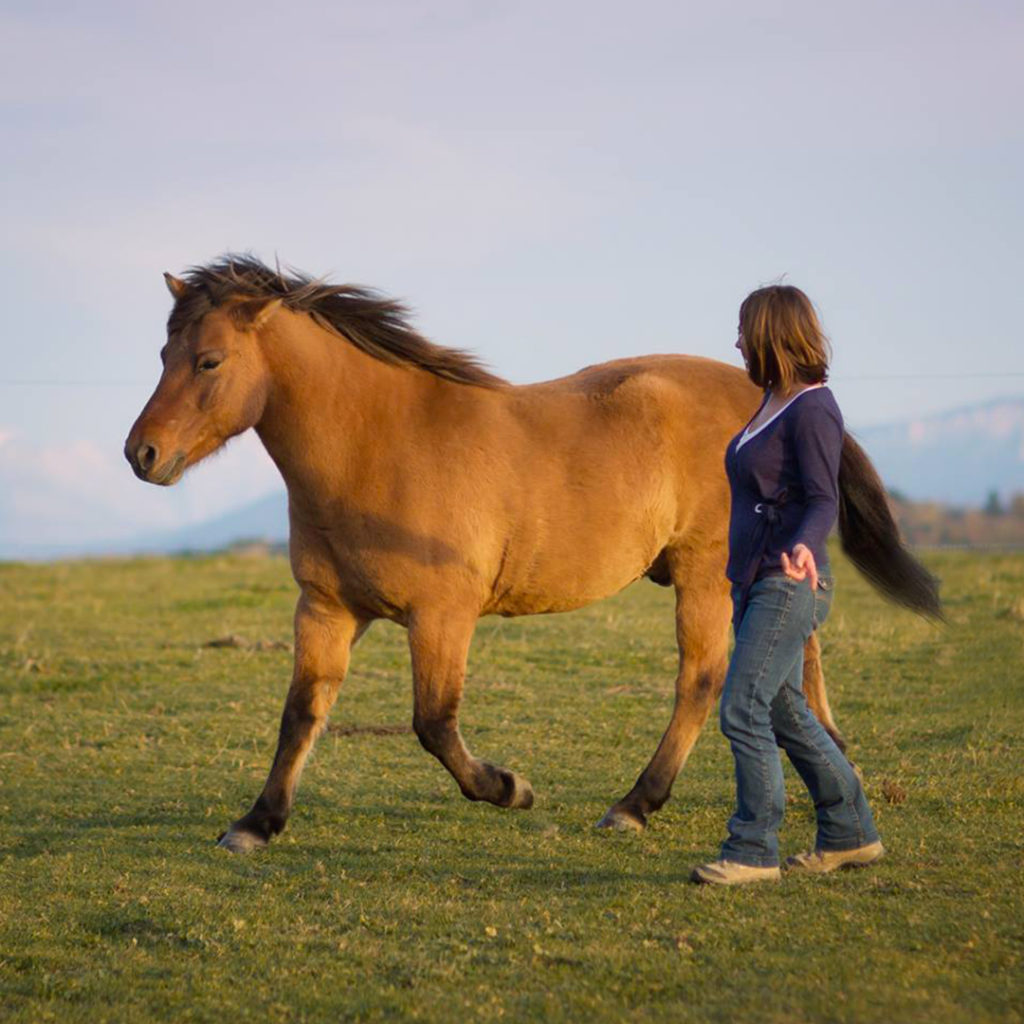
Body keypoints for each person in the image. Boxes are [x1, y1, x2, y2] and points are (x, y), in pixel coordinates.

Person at [692, 285, 884, 886]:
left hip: (790, 578)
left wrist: (803, 542)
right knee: (782, 711)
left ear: (773, 335)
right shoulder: (771, 403)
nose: (738, 341)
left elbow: (824, 496)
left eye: (746, 330)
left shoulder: (814, 408)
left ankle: (752, 849)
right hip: (752, 580)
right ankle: (851, 833)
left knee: (741, 706)